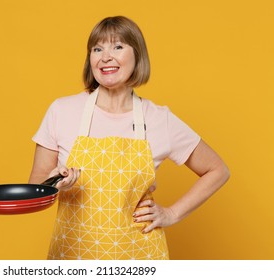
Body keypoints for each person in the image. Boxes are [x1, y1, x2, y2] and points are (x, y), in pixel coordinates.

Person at [29, 16, 230, 260]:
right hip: (74, 255)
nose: (106, 56)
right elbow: (34, 189)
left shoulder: (159, 119)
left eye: (118, 46)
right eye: (97, 48)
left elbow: (217, 170)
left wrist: (172, 214)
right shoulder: (61, 111)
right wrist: (53, 183)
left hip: (139, 254)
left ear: (138, 56)